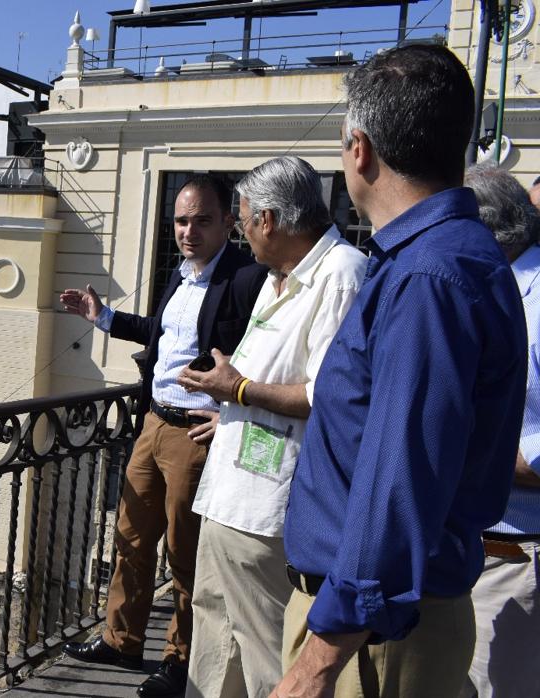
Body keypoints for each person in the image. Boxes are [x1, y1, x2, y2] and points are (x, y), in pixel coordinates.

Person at [272, 44, 527, 698]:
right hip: (376, 627)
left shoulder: (428, 279)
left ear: (359, 149)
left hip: (372, 640)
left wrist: (317, 660)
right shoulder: (444, 261)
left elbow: (400, 482)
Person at [60, 174, 267, 697]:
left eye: (201, 220)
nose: (188, 230)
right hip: (154, 422)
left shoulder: (246, 279)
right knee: (130, 537)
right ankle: (121, 639)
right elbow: (164, 335)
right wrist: (102, 317)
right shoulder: (182, 274)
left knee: (185, 550)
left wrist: (236, 409)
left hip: (196, 433)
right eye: (180, 220)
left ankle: (181, 661)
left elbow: (265, 351)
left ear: (227, 222)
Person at [176, 157, 366, 698]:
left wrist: (235, 392)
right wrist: (232, 412)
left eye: (239, 219)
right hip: (229, 496)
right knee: (214, 643)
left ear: (268, 220)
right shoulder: (279, 276)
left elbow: (328, 395)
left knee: (266, 658)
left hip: (268, 515)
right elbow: (272, 379)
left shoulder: (342, 274)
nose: (238, 232)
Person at [461, 164, 540, 698]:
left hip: (514, 559)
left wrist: (479, 454)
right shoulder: (487, 287)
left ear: (482, 228)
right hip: (458, 555)